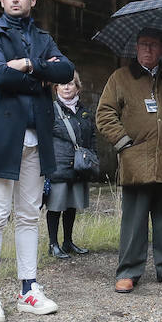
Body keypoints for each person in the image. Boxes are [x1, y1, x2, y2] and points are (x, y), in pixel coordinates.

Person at [0, 0, 75, 322]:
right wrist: (42, 75)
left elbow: (67, 72)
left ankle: (29, 289)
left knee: (29, 214)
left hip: (35, 136)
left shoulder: (43, 38)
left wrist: (29, 65)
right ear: (2, 0)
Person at [97, 27, 162, 292]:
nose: (148, 49)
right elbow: (105, 114)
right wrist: (124, 145)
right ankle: (129, 271)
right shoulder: (121, 78)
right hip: (137, 162)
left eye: (154, 45)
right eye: (143, 44)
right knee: (134, 220)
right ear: (136, 47)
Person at [46, 73, 95, 259]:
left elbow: (92, 137)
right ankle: (53, 244)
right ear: (55, 88)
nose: (66, 87)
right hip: (58, 165)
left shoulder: (84, 111)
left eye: (70, 83)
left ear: (77, 87)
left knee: (72, 205)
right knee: (56, 205)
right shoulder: (51, 110)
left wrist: (93, 158)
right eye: (61, 84)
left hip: (79, 165)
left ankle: (67, 242)